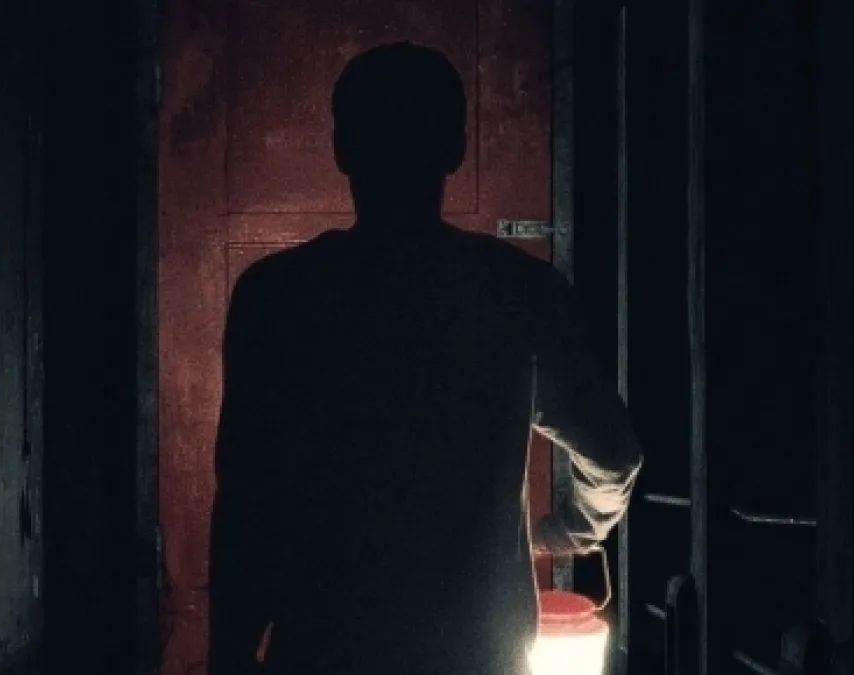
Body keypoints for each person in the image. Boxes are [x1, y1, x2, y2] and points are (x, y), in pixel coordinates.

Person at [208, 42, 643, 675]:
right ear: (455, 150)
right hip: (473, 654)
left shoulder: (277, 295)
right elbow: (613, 452)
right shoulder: (516, 291)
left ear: (342, 148)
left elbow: (246, 499)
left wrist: (229, 650)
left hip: (325, 649)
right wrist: (569, 529)